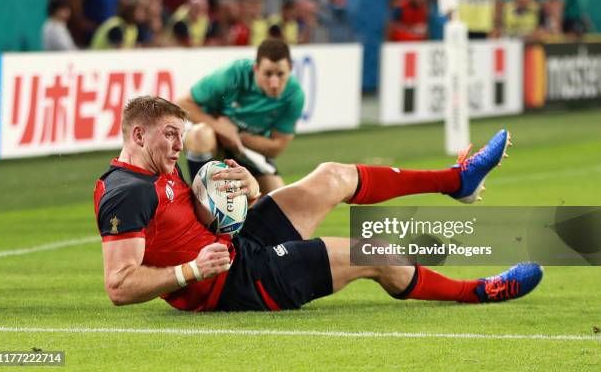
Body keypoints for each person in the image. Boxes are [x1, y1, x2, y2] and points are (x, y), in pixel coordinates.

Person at [95, 95, 543, 312]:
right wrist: (192, 271)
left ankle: (457, 180)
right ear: (137, 136)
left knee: (332, 174)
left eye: (179, 133)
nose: (178, 145)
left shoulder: (160, 168)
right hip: (232, 284)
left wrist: (240, 195)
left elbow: (189, 221)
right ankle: (480, 291)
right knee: (374, 253)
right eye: (169, 135)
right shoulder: (125, 193)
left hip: (235, 245)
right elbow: (119, 285)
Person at [175, 38, 304, 195]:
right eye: (268, 74)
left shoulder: (294, 96)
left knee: (281, 202)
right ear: (256, 68)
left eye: (280, 74)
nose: (274, 83)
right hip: (214, 141)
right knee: (200, 135)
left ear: (290, 69)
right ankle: (202, 201)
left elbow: (276, 147)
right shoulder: (233, 74)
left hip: (245, 149)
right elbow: (182, 103)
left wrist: (237, 136)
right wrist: (220, 128)